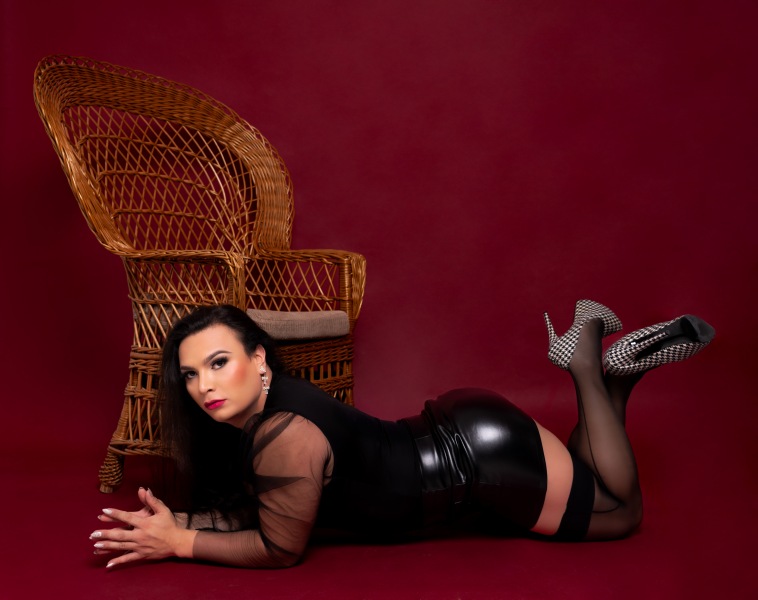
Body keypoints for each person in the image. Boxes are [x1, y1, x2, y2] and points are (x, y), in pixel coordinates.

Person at [90, 300, 715, 569]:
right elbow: (266, 504)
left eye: (218, 362)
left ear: (258, 359)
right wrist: (178, 522)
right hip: (465, 428)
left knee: (620, 512)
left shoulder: (286, 433)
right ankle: (615, 380)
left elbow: (280, 548)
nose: (203, 385)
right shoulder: (270, 404)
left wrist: (181, 543)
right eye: (190, 374)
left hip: (480, 462)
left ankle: (587, 363)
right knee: (592, 478)